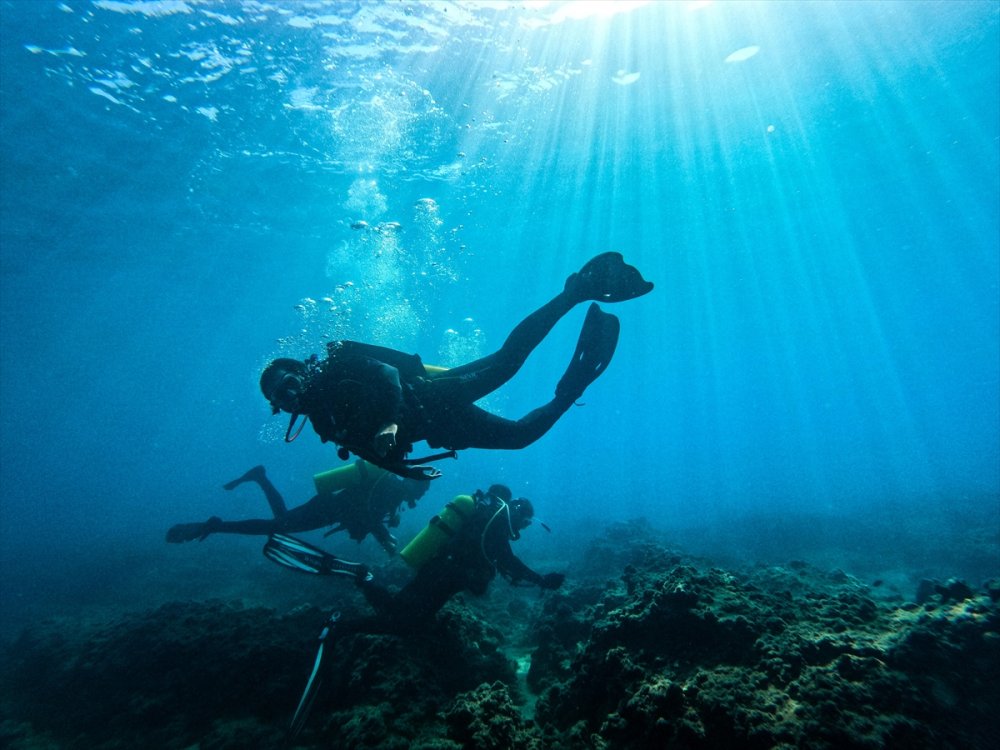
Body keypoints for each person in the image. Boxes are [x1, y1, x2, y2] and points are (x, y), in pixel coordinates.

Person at [260, 252, 653, 480]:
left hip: (431, 395)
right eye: (280, 396)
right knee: (518, 438)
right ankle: (573, 388)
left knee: (505, 364)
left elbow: (387, 374)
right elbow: (368, 452)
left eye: (288, 381)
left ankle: (575, 293)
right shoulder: (323, 423)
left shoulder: (334, 368)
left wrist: (392, 421)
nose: (290, 394)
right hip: (438, 427)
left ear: (301, 369)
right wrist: (404, 472)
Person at [165, 459, 430, 555]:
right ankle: (215, 525)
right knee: (277, 527)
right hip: (327, 509)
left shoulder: (393, 490)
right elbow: (367, 515)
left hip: (328, 508)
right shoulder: (391, 488)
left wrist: (380, 533)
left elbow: (367, 515)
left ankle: (260, 477)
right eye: (421, 489)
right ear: (413, 483)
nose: (418, 496)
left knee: (281, 522)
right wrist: (383, 538)